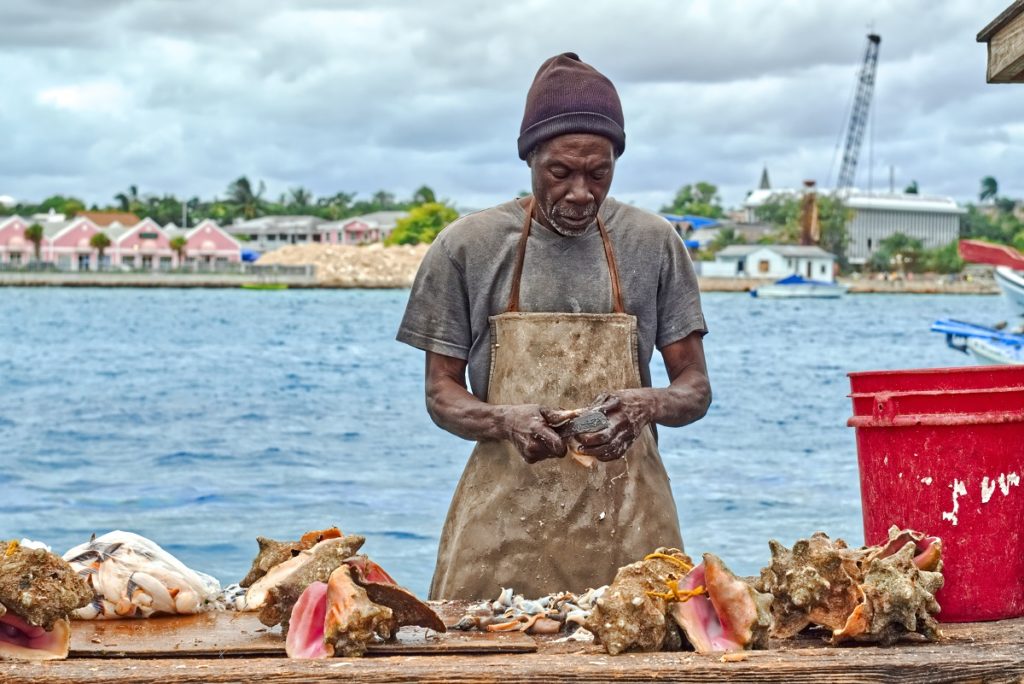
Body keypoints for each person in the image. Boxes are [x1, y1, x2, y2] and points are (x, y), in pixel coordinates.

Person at [397, 53, 711, 600]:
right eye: (560, 172)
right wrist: (503, 420)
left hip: (631, 523)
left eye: (599, 173)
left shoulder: (654, 243)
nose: (581, 193)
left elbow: (695, 388)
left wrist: (644, 406)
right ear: (531, 159)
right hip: (503, 524)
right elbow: (440, 393)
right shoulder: (466, 246)